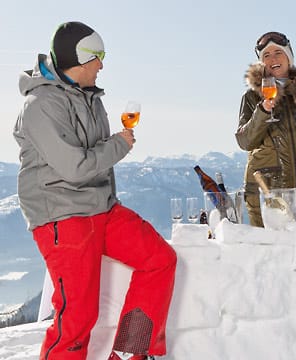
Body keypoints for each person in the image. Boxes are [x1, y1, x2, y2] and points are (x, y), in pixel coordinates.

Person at [13, 22, 176, 360]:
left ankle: (132, 351)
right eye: (98, 57)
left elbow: (94, 154)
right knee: (77, 316)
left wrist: (112, 146)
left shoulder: (90, 97)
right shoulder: (40, 106)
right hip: (64, 216)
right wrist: (119, 144)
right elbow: (74, 168)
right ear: (80, 59)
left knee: (159, 260)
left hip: (101, 207)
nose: (102, 65)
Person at [236, 31, 296, 227]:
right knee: (270, 253)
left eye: (278, 53)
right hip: (267, 192)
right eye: (266, 55)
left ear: (289, 57)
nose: (272, 59)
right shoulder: (252, 97)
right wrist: (263, 111)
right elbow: (244, 141)